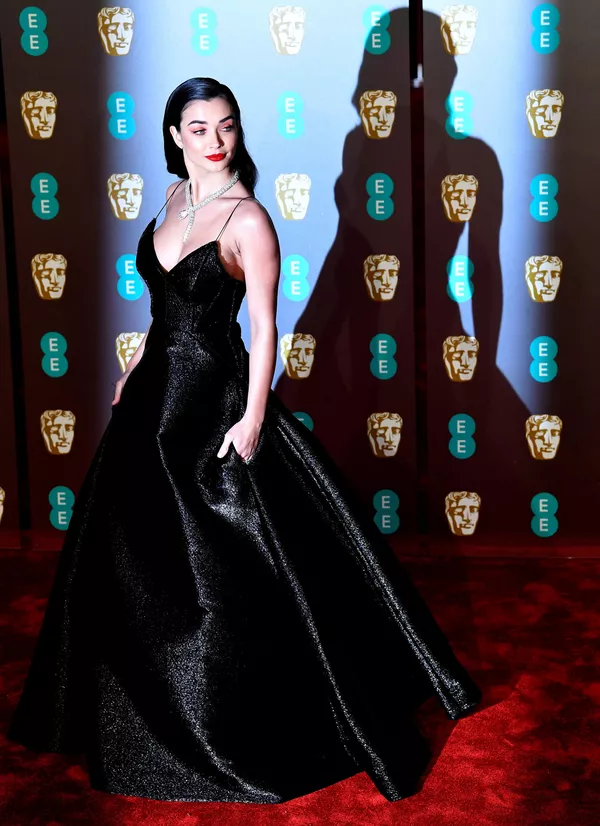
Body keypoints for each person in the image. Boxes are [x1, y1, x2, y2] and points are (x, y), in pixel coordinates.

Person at [7, 77, 482, 804]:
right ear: (175, 136)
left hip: (214, 400)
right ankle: (134, 714)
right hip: (152, 399)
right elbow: (166, 309)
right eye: (199, 128)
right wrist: (135, 365)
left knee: (232, 565)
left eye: (226, 125)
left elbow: (263, 328)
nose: (216, 139)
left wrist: (254, 416)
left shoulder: (249, 219)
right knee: (133, 561)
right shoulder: (172, 200)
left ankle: (233, 717)